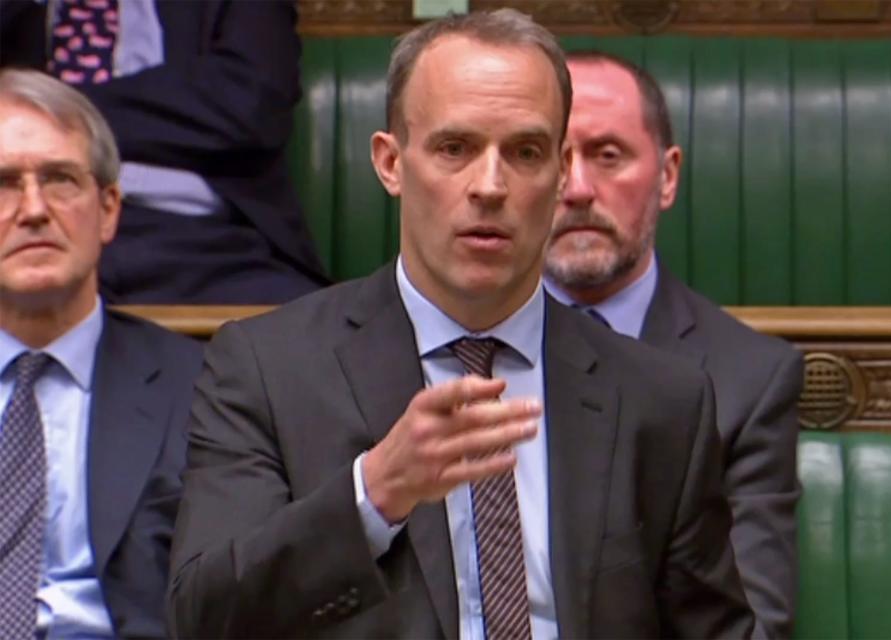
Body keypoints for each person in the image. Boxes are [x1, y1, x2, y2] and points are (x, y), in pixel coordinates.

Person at [168, 10, 754, 639]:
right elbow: (204, 619)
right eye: (456, 148)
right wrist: (374, 494)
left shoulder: (661, 400)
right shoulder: (267, 370)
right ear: (390, 163)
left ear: (560, 174)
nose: (491, 185)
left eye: (525, 152)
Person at [544, 51, 804, 639]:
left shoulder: (749, 380)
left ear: (667, 175)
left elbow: (750, 625)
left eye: (608, 156)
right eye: (551, 158)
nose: (578, 188)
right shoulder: (457, 348)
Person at [0, 69, 202, 637]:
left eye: (61, 179)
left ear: (108, 209)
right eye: (5, 182)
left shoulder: (203, 387)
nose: (34, 209)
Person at [0, 0, 329, 303]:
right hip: (25, 228)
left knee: (305, 335)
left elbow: (251, 103)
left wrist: (55, 111)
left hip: (199, 242)